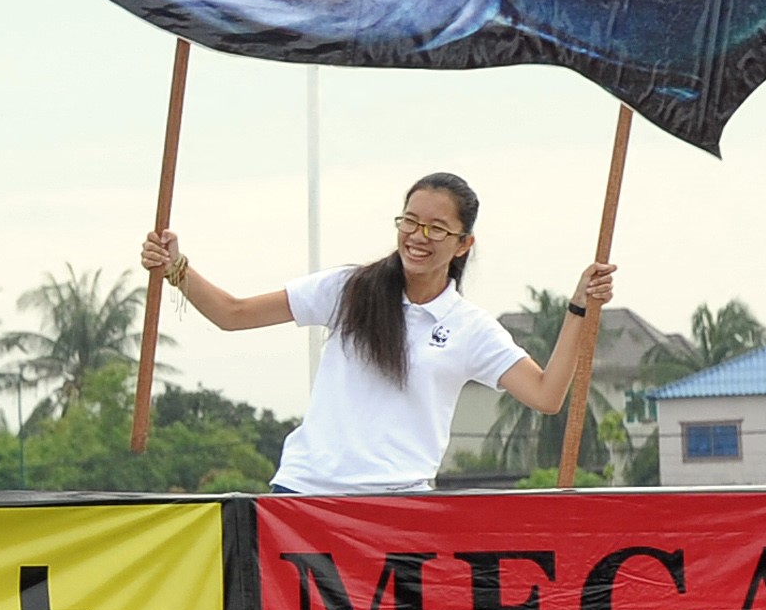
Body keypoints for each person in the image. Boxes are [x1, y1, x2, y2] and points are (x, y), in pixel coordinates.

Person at [137, 173, 613, 494]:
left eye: (436, 228)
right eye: (410, 221)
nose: (418, 236)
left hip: (397, 512)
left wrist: (579, 307)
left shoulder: (470, 328)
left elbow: (547, 395)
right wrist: (175, 267)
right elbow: (233, 314)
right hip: (304, 498)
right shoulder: (348, 289)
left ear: (464, 244)